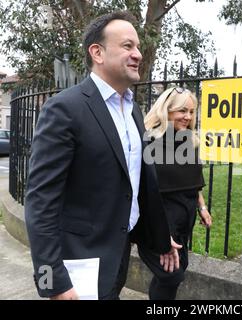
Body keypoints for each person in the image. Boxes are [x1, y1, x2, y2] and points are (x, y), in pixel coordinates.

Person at [24, 11, 181, 300]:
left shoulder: (133, 109)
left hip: (118, 256)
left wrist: (160, 238)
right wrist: (52, 283)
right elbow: (39, 202)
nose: (137, 55)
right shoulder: (65, 109)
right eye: (127, 46)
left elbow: (137, 185)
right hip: (78, 267)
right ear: (97, 52)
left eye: (137, 47)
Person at [141, 87, 212, 300]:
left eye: (191, 111)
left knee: (172, 276)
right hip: (159, 223)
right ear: (167, 111)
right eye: (182, 111)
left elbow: (193, 183)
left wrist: (203, 208)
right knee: (171, 276)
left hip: (183, 222)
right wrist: (162, 234)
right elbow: (144, 191)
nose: (188, 117)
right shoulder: (149, 142)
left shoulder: (189, 140)